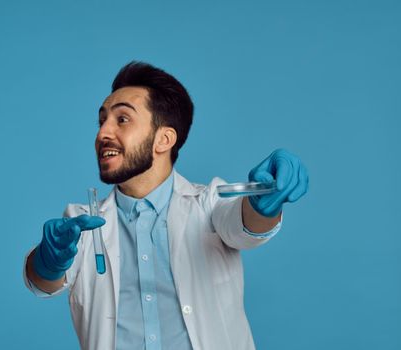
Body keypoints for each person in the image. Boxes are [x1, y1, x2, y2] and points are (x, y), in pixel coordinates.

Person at [23, 61, 309, 350]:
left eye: (122, 119)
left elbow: (244, 225)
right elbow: (43, 283)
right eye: (102, 121)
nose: (102, 134)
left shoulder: (207, 204)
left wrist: (264, 206)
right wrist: (48, 262)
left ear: (164, 139)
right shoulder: (82, 222)